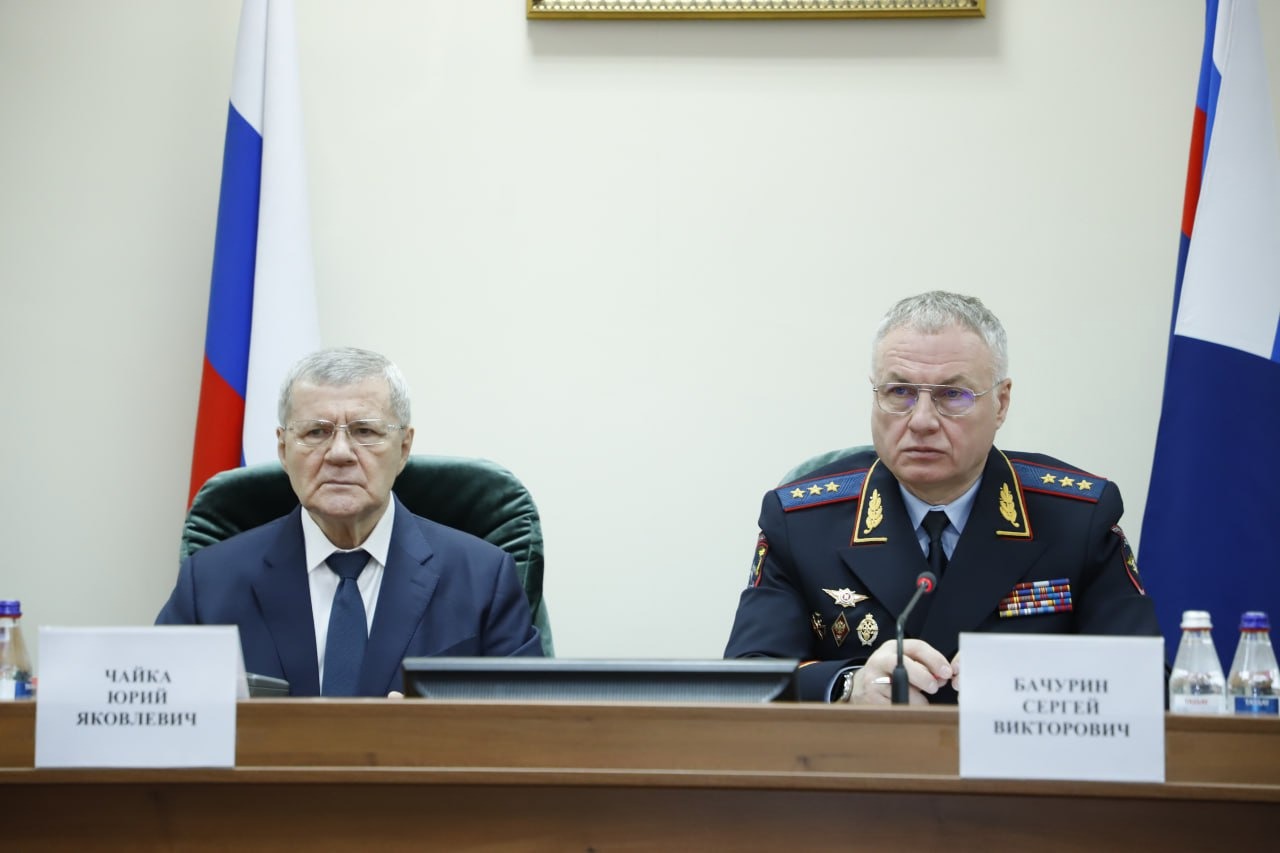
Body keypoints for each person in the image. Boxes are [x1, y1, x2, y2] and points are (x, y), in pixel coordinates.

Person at [724, 291, 1159, 704]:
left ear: (1001, 403)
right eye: (900, 392)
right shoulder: (801, 523)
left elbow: (1149, 683)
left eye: (953, 395)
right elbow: (744, 681)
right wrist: (848, 686)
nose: (922, 421)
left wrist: (1030, 678)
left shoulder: (1075, 519)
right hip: (866, 756)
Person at [157, 347, 542, 696]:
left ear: (404, 448)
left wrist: (431, 732)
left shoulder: (484, 578)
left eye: (365, 431)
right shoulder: (209, 582)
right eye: (316, 432)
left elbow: (528, 729)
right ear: (283, 448)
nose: (339, 453)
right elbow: (157, 722)